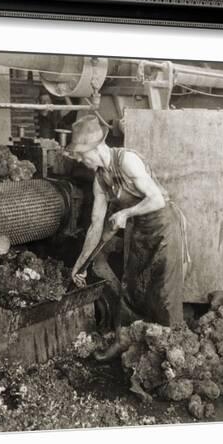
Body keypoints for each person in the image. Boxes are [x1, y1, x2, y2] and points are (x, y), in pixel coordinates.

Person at [67, 114, 190, 328]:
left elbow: (157, 200)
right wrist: (80, 263)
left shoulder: (127, 161)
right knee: (133, 288)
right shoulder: (100, 179)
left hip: (164, 227)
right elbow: (96, 226)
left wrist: (125, 214)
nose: (78, 159)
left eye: (80, 154)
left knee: (164, 293)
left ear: (96, 148)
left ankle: (169, 346)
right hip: (140, 230)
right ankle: (126, 342)